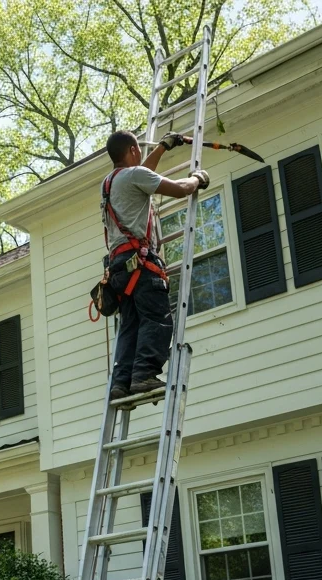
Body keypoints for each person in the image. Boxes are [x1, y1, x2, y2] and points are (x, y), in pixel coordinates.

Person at [100, 129, 210, 399]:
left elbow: (140, 175)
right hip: (140, 264)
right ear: (133, 151)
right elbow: (179, 189)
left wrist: (161, 148)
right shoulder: (134, 176)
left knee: (130, 325)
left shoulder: (110, 182)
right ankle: (145, 375)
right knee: (157, 319)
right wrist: (197, 179)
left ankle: (121, 383)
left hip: (119, 270)